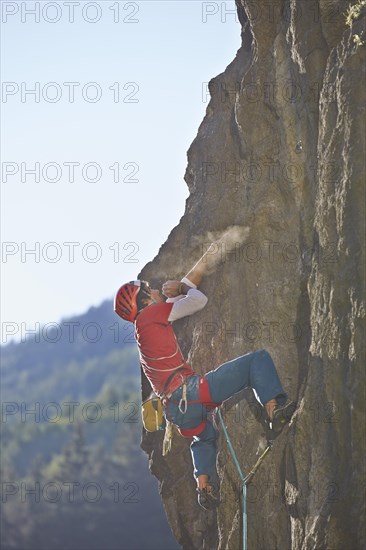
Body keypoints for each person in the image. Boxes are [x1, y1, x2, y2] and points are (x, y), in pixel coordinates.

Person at [114, 244, 296, 510]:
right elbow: (197, 301)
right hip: (192, 392)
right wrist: (183, 289)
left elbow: (180, 298)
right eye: (149, 289)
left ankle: (204, 486)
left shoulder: (144, 328)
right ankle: (274, 412)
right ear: (143, 301)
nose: (155, 290)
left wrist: (210, 255)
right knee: (256, 361)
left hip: (178, 412)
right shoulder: (151, 315)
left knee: (204, 436)